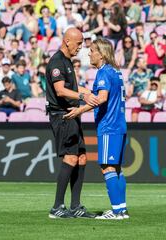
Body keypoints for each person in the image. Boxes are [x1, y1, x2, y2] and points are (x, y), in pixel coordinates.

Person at [63, 38, 128, 220]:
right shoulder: (116, 72)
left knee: (107, 167)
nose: (89, 53)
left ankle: (116, 212)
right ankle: (121, 209)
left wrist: (79, 110)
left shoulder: (103, 73)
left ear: (101, 53)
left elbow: (101, 98)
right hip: (120, 124)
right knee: (116, 168)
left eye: (92, 50)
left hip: (109, 126)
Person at [46, 28, 97, 219]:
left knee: (82, 157)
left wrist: (90, 94)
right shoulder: (57, 62)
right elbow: (60, 91)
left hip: (73, 115)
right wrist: (83, 96)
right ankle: (57, 207)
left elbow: (73, 87)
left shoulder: (67, 62)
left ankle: (75, 206)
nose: (81, 47)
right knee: (70, 158)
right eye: (79, 43)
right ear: (68, 41)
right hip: (63, 115)